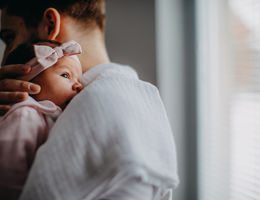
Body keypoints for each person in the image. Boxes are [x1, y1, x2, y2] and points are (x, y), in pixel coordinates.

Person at [0, 1, 179, 200]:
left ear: (50, 25)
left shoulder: (96, 105)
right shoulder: (138, 99)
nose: (5, 57)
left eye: (9, 38)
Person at [0, 40, 83, 199]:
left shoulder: (48, 114)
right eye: (66, 75)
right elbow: (8, 167)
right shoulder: (25, 114)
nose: (78, 86)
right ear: (27, 83)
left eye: (79, 80)